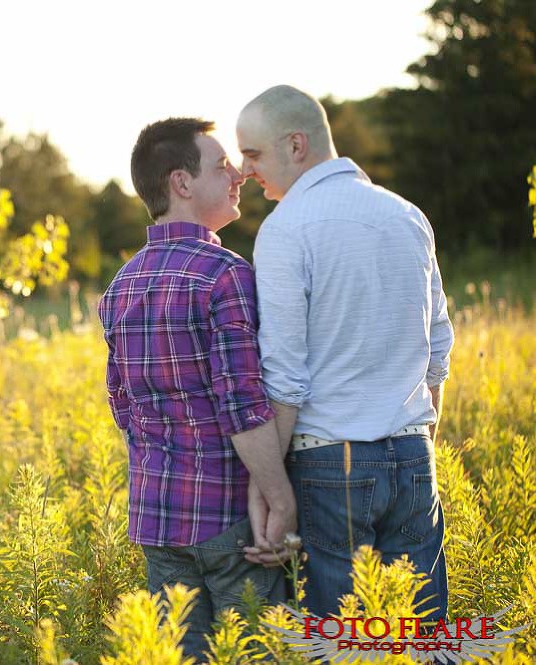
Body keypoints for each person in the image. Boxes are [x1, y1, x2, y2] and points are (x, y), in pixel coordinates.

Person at [236, 85, 454, 621]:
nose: (243, 170)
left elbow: (284, 376)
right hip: (412, 454)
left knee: (342, 640)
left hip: (330, 459)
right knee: (421, 637)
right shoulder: (408, 216)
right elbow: (438, 351)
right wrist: (418, 443)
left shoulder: (286, 229)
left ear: (295, 145)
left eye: (253, 154)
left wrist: (272, 492)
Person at [98, 117, 297, 655]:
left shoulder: (122, 284)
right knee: (256, 651)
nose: (238, 175)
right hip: (229, 519)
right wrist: (279, 500)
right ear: (181, 183)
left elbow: (122, 404)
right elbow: (243, 402)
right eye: (220, 165)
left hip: (155, 518)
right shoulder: (225, 274)